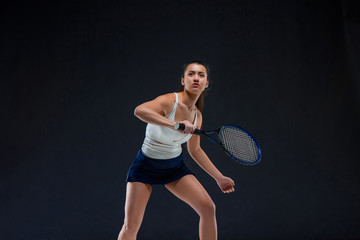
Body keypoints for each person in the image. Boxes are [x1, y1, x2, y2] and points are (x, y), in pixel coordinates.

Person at [118, 60, 235, 240]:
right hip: (145, 167)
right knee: (130, 226)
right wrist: (175, 125)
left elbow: (195, 150)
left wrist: (219, 177)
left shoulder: (198, 116)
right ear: (183, 80)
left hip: (174, 168)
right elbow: (139, 110)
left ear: (206, 84)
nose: (196, 78)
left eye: (201, 75)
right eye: (191, 74)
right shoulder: (169, 101)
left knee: (208, 208)